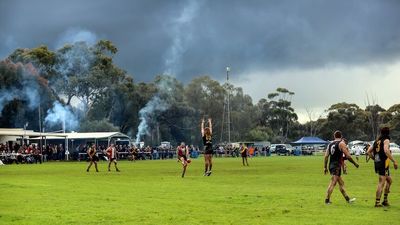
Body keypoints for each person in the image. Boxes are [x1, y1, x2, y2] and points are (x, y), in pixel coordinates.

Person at [324, 131, 359, 204]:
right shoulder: (341, 143)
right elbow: (348, 156)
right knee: (333, 183)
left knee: (341, 183)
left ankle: (348, 199)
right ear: (341, 136)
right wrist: (354, 163)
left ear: (334, 136)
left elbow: (326, 156)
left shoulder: (330, 144)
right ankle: (327, 200)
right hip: (336, 166)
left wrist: (325, 167)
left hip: (332, 165)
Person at [367, 127, 398, 207]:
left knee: (389, 181)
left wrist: (374, 159)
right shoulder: (386, 139)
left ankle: (385, 200)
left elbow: (368, 152)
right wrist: (394, 161)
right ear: (388, 132)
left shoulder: (377, 140)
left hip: (379, 163)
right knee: (381, 182)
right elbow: (386, 150)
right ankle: (377, 202)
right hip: (383, 163)